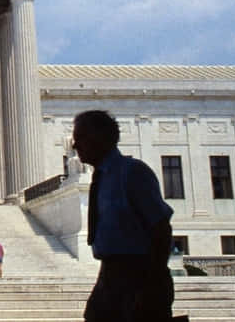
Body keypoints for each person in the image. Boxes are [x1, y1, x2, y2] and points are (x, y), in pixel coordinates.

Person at [74, 109, 176, 322]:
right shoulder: (100, 179)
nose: (75, 145)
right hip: (110, 274)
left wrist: (152, 282)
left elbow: (161, 228)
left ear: (98, 138)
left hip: (139, 274)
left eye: (80, 138)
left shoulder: (132, 173)